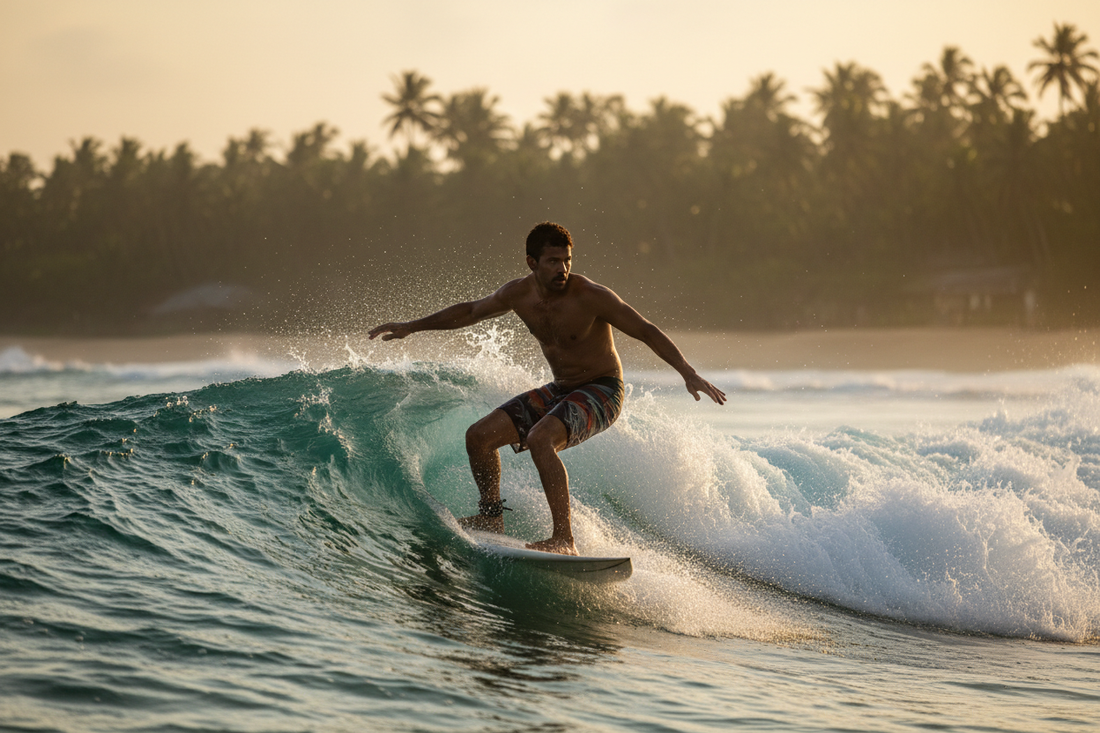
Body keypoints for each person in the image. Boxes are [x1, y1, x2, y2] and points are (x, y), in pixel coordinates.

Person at [369, 222, 726, 555]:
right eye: (553, 261)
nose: (562, 269)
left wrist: (687, 372)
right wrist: (412, 327)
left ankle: (564, 538)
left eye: (567, 261)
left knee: (541, 438)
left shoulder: (591, 296)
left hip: (603, 390)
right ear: (532, 262)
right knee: (478, 437)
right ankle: (491, 515)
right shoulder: (518, 294)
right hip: (562, 388)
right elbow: (470, 311)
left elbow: (645, 329)